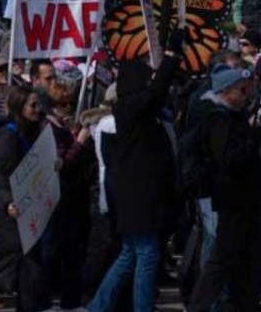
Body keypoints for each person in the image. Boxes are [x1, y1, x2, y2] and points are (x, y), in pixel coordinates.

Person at [87, 32, 182, 312]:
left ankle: (99, 305)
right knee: (147, 254)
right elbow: (155, 93)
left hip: (140, 197)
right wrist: (171, 59)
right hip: (138, 198)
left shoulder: (140, 112)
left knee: (130, 255)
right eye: (146, 78)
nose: (150, 82)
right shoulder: (129, 109)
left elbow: (155, 94)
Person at [188, 65, 261, 312]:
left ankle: (244, 303)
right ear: (227, 91)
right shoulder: (216, 120)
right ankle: (199, 306)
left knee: (251, 259)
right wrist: (253, 136)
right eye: (241, 90)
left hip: (246, 199)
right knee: (222, 259)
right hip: (232, 199)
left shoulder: (233, 116)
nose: (246, 95)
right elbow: (229, 158)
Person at [0, 87, 50, 312]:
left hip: (25, 208)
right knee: (2, 264)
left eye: (38, 104)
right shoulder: (7, 135)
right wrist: (8, 202)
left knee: (29, 267)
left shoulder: (32, 131)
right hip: (6, 211)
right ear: (19, 107)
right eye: (32, 106)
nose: (38, 110)